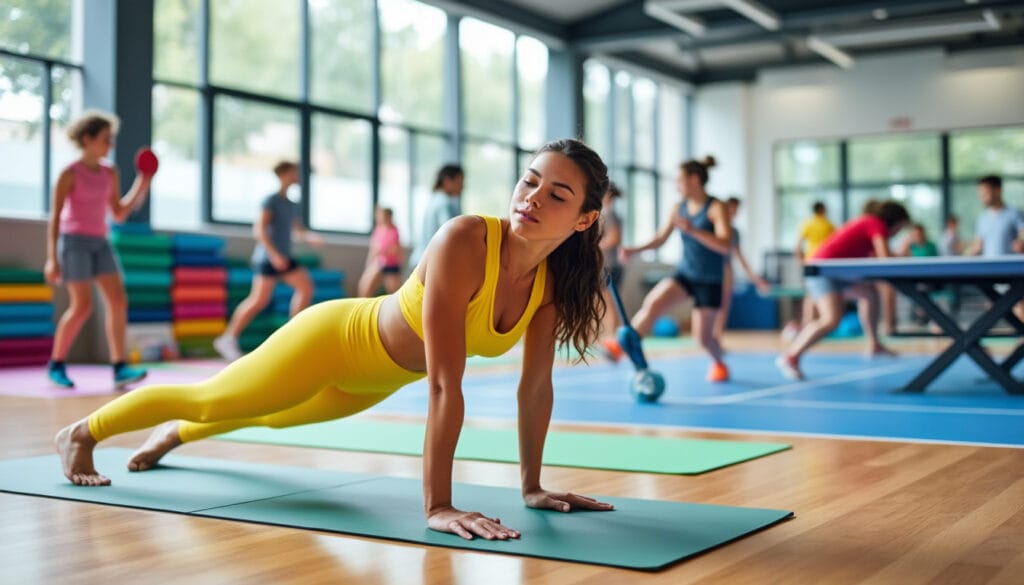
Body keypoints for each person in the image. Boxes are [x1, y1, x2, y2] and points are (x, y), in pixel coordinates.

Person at [54, 139, 615, 541]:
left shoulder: (549, 285)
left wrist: (533, 486)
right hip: (333, 340)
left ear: (585, 220)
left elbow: (535, 387)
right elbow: (445, 383)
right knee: (212, 396)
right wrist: (438, 506)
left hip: (377, 379)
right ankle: (81, 432)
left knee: (269, 416)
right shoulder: (466, 239)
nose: (532, 197)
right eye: (529, 180)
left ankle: (173, 435)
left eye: (557, 195)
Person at [43, 111, 151, 389]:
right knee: (82, 307)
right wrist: (52, 259)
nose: (110, 145)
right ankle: (56, 363)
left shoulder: (109, 172)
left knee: (118, 300)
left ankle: (119, 367)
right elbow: (55, 217)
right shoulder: (69, 174)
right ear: (87, 139)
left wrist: (143, 181)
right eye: (105, 139)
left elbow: (118, 214)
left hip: (100, 242)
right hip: (74, 242)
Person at [602, 156, 733, 383]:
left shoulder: (715, 207)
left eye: (679, 180)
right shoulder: (678, 208)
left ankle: (719, 362)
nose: (676, 185)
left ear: (694, 180)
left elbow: (725, 244)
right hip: (685, 274)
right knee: (652, 304)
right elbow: (660, 238)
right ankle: (621, 346)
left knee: (702, 339)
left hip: (709, 280)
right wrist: (635, 249)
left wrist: (693, 230)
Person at [776, 201, 910, 381]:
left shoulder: (869, 224)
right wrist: (903, 254)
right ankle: (790, 357)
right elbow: (885, 258)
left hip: (837, 273)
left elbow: (878, 257)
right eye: (901, 227)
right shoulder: (875, 224)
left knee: (870, 294)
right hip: (821, 271)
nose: (898, 232)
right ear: (895, 220)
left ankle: (874, 344)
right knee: (831, 319)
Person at [213, 161, 323, 361]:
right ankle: (228, 338)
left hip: (285, 258)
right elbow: (259, 230)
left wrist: (310, 237)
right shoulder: (270, 200)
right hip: (269, 258)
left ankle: (293, 337)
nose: (296, 175)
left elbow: (297, 231)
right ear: (282, 175)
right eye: (293, 172)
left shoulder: (292, 204)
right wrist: (274, 255)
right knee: (258, 300)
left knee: (306, 287)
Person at [964, 175, 1024, 323]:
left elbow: (1022, 235)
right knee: (992, 310)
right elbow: (978, 246)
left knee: (1018, 307)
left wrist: (1021, 242)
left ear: (997, 191)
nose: (981, 197)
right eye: (980, 194)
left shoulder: (1014, 214)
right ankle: (976, 344)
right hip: (989, 273)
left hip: (1012, 273)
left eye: (985, 193)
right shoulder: (982, 219)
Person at [714, 197, 770, 340]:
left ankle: (717, 338)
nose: (734, 212)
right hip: (710, 269)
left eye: (736, 209)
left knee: (723, 307)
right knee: (710, 307)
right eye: (731, 208)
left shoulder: (735, 233)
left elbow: (740, 257)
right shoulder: (712, 226)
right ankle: (708, 338)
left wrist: (755, 279)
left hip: (726, 271)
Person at [783, 201, 836, 341]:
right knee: (822, 295)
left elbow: (797, 247)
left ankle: (809, 325)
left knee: (812, 294)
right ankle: (813, 326)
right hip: (825, 263)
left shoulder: (807, 224)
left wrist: (802, 262)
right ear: (823, 209)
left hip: (810, 262)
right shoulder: (828, 225)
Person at [410, 164, 464, 269]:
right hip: (433, 262)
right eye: (460, 181)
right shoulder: (445, 203)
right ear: (447, 181)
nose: (462, 186)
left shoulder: (434, 199)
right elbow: (452, 233)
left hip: (420, 258)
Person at [358, 207, 404, 297]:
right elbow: (373, 248)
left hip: (391, 264)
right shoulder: (378, 229)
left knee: (394, 292)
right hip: (379, 262)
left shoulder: (394, 230)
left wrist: (383, 251)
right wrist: (369, 262)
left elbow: (396, 250)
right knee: (365, 287)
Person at [598, 182, 624, 336]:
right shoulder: (607, 213)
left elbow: (614, 238)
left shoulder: (609, 213)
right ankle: (610, 335)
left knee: (610, 302)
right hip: (609, 264)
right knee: (607, 302)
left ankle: (613, 336)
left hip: (610, 265)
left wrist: (593, 246)